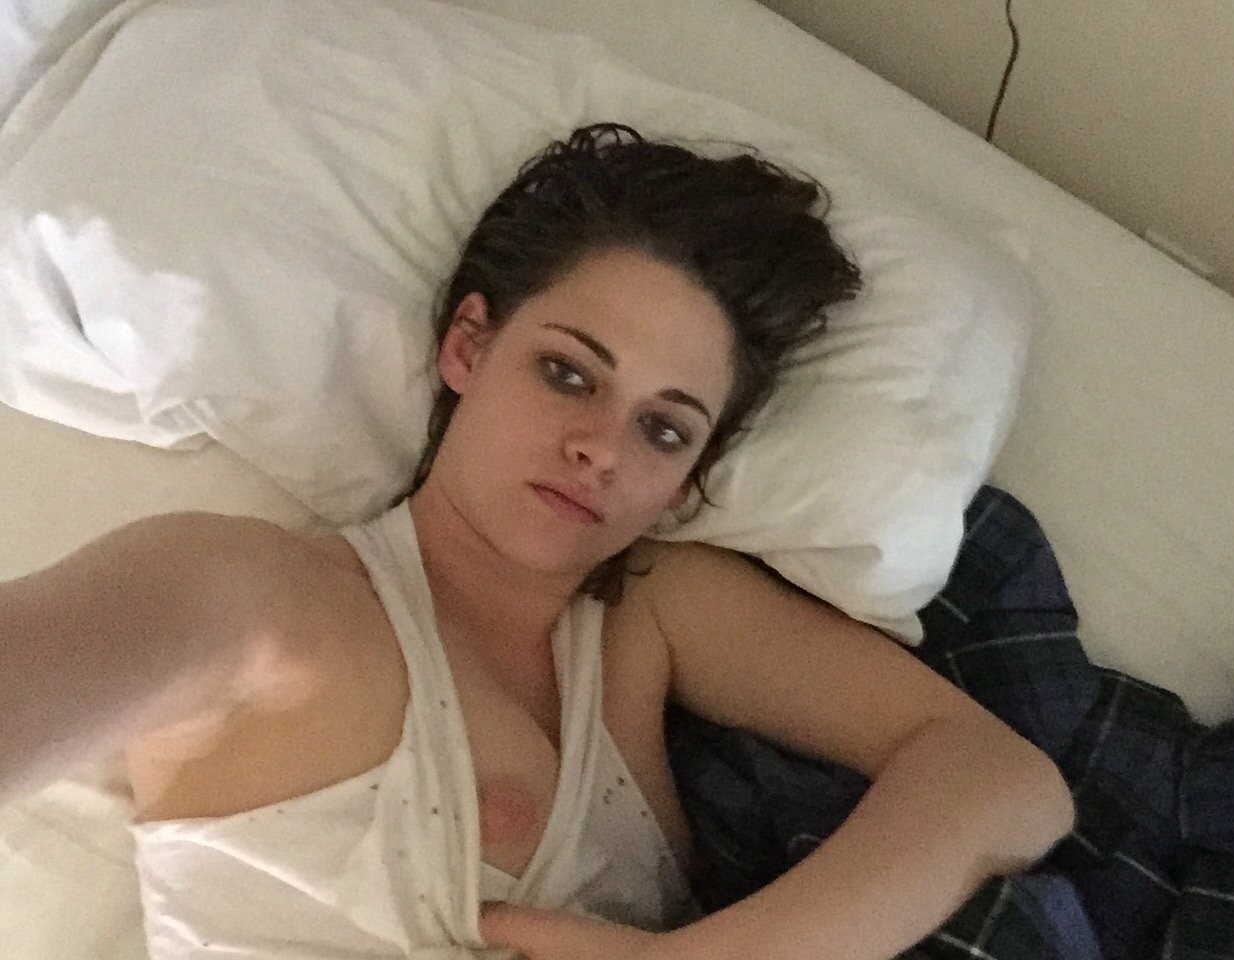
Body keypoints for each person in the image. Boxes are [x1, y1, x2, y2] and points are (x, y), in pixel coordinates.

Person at [0, 123, 1074, 960]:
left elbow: (1004, 780)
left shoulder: (652, 615)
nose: (600, 447)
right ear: (468, 347)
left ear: (684, 485)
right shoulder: (261, 597)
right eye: (568, 372)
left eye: (662, 429)